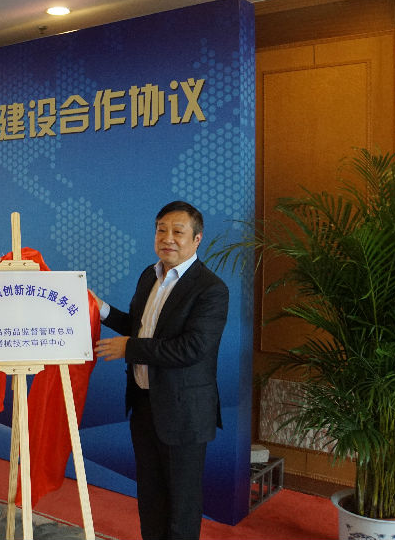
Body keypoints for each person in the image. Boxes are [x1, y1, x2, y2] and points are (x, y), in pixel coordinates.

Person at [93, 201, 228, 540]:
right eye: (161, 230)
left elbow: (192, 348)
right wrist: (102, 309)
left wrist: (130, 348)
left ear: (197, 239)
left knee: (181, 504)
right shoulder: (149, 276)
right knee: (150, 496)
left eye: (178, 232)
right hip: (144, 405)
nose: (168, 238)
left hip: (183, 413)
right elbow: (140, 328)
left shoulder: (211, 289)